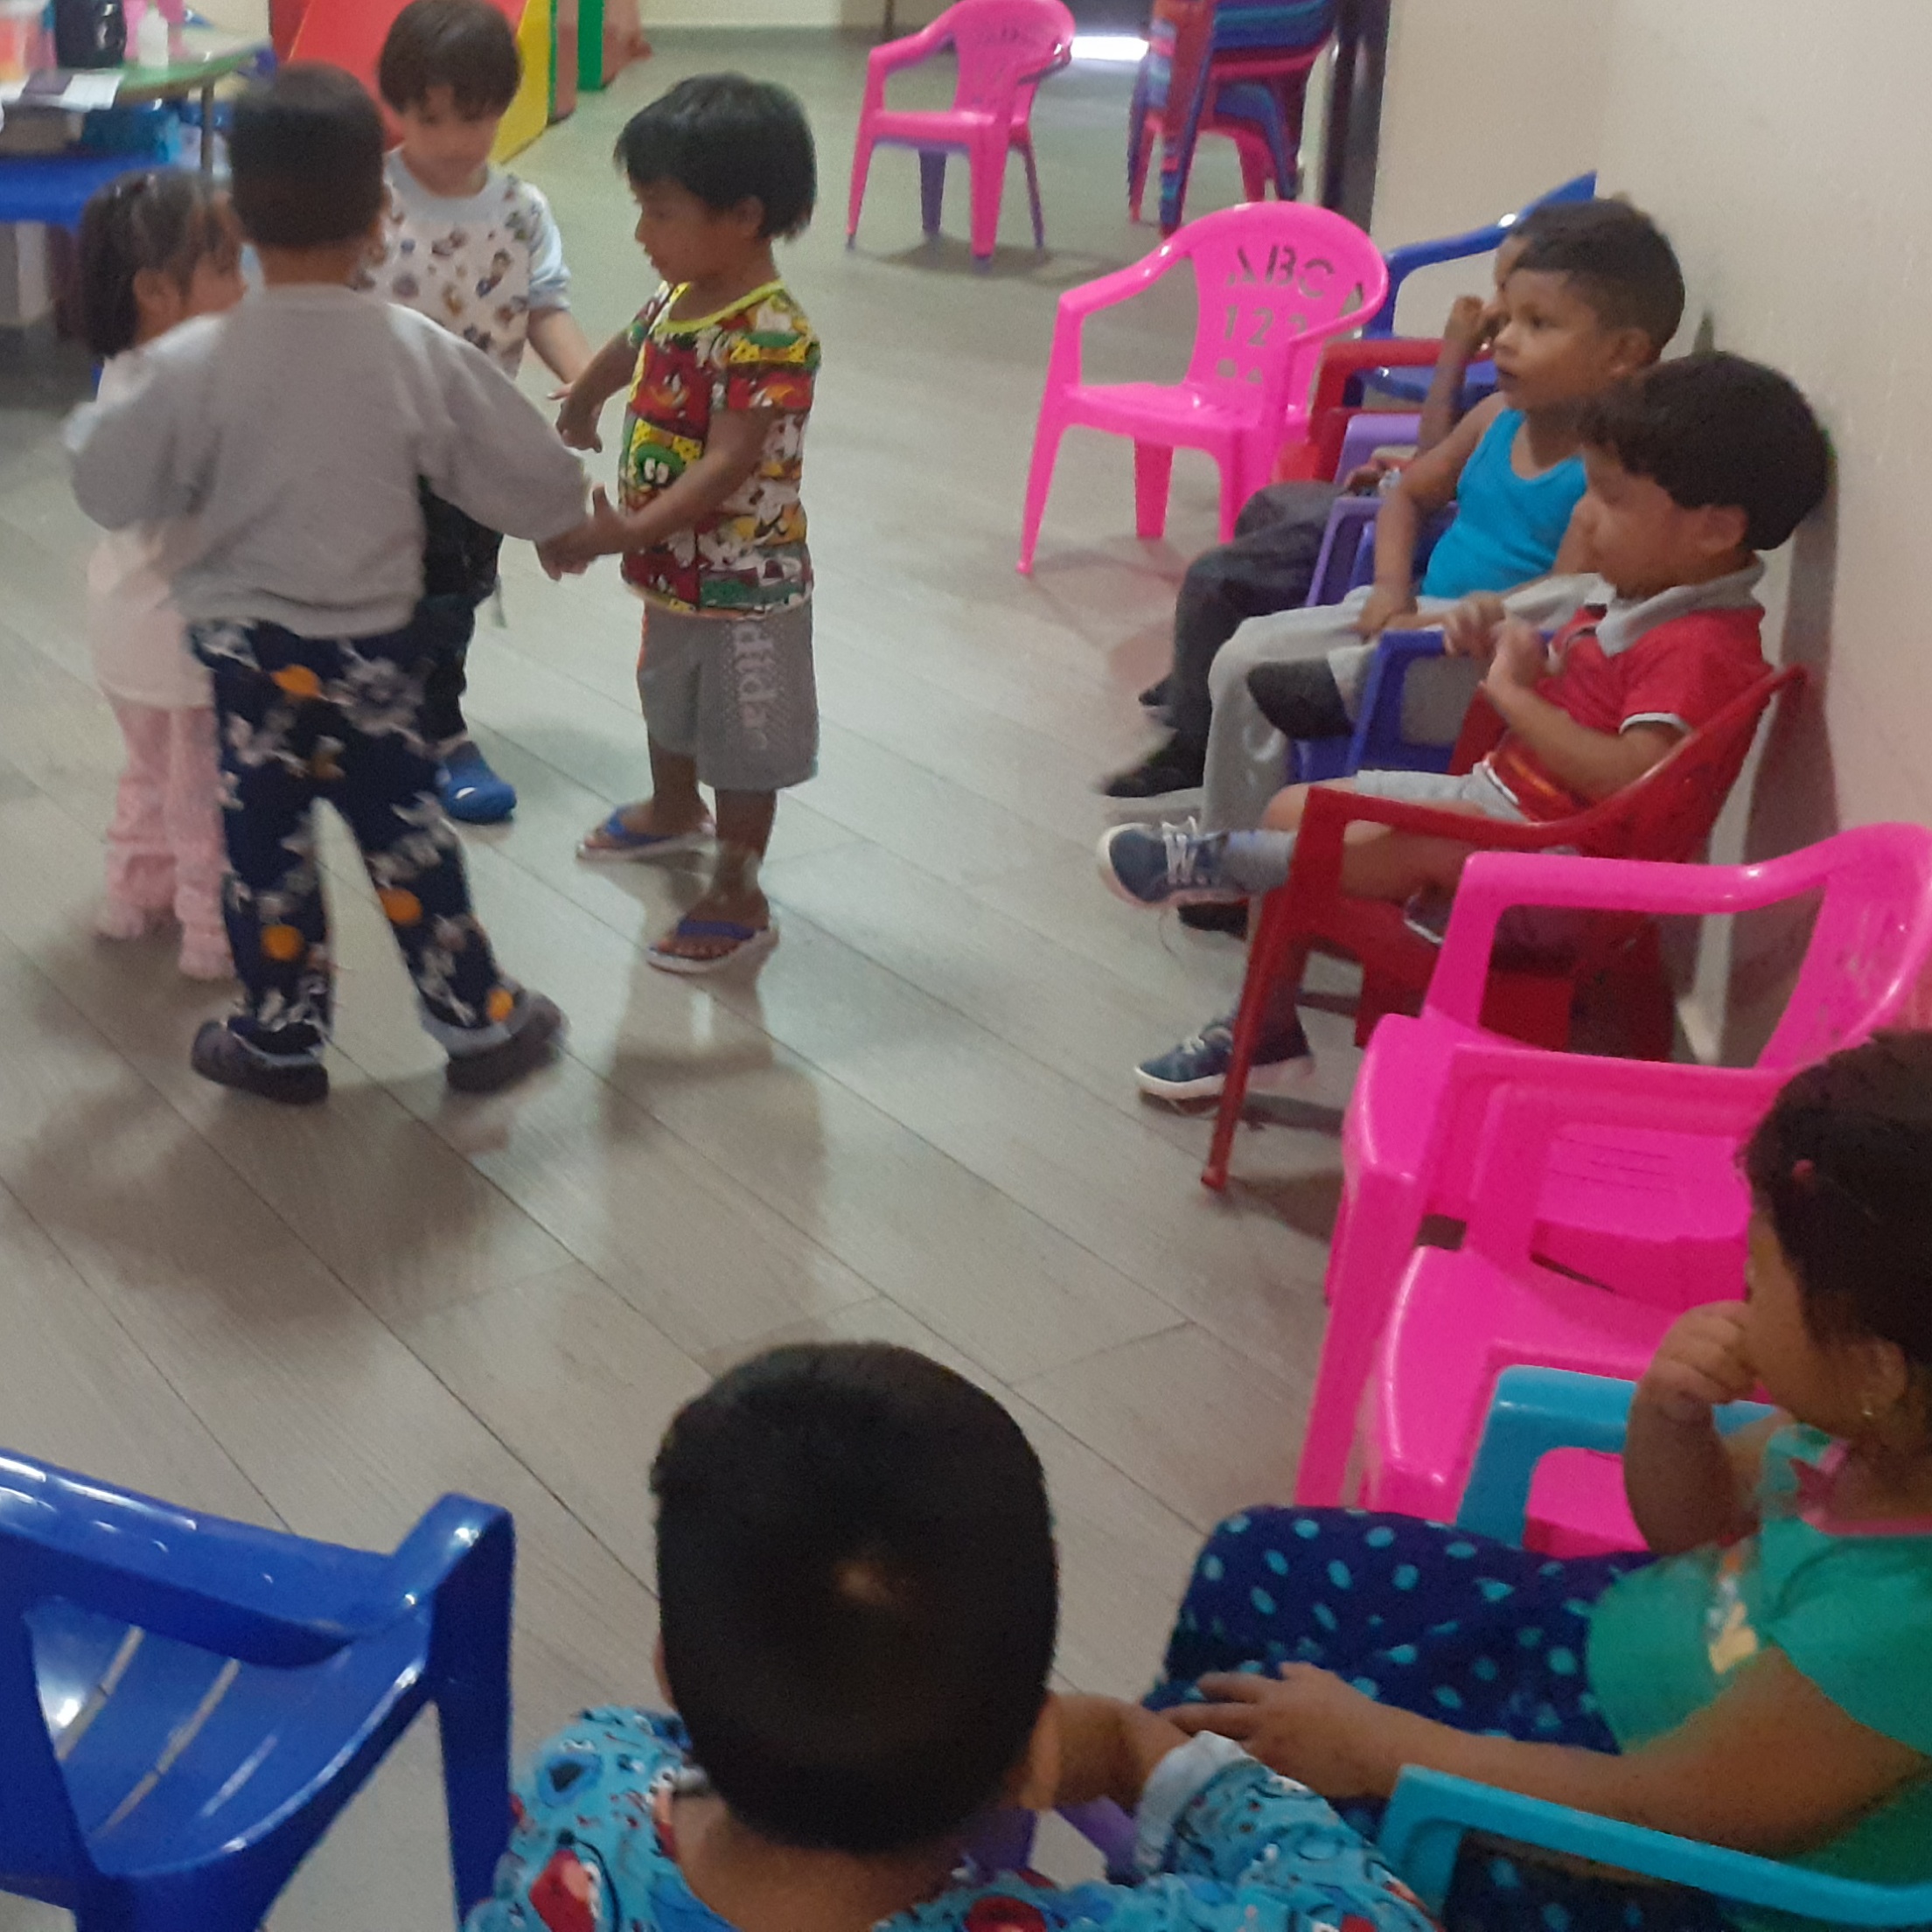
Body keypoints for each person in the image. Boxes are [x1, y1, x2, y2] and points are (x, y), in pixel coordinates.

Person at [1151, 1032, 1932, 1932]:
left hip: (1632, 1858)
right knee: (1254, 1560)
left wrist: (1380, 1749)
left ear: (1873, 1367)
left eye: (1757, 1281)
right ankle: (1161, 1785)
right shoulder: (1857, 1433)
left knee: (1253, 1797)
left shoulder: (1901, 1626)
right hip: (1587, 1640)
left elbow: (1660, 1815)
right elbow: (1689, 1530)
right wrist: (1670, 1418)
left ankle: (1163, 1829)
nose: (1739, 1298)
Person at [466, 1341, 1446, 1932]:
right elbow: (1373, 1913)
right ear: (1031, 1756)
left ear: (669, 1672)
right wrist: (1150, 1753)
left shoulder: (580, 1782)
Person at [66, 65, 590, 1105]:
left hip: (246, 658)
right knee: (407, 837)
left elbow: (105, 480)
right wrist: (567, 523)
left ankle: (280, 1036)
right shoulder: (409, 347)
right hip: (372, 654)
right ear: (379, 214)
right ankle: (477, 1019)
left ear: (238, 221)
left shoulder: (196, 359)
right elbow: (517, 461)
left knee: (264, 850)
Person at [1101, 351, 1830, 1100]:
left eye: (1610, 500)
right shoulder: (1645, 594)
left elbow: (1630, 777)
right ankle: (1267, 1028)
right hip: (1509, 816)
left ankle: (1216, 864)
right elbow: (1586, 692)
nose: (1584, 517)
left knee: (1389, 843)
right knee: (1295, 808)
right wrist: (1515, 645)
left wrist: (1512, 695)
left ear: (1713, 530)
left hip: (1559, 878)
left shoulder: (1698, 645)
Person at [1179, 199, 1685, 846]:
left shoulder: (1606, 475)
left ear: (1622, 353)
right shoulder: (1495, 418)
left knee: (1264, 673)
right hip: (1411, 616)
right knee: (1241, 652)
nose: (1504, 339)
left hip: (1471, 657)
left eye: (1537, 324)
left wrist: (1439, 623)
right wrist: (1392, 589)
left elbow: (1561, 607)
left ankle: (1261, 830)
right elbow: (1408, 496)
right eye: (1508, 318)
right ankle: (1228, 848)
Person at [543, 75, 820, 975]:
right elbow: (631, 346)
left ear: (743, 216)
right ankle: (671, 809)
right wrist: (584, 397)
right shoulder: (680, 294)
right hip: (673, 572)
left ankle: (738, 893)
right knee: (666, 695)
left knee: (743, 743)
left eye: (659, 212)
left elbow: (725, 464)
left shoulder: (769, 333)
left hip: (747, 588)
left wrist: (624, 532)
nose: (641, 234)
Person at [1103, 224, 1530, 803]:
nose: (1496, 312)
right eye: (1500, 290)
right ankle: (1198, 678)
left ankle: (1194, 740)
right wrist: (1403, 463)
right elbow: (1434, 463)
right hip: (1406, 505)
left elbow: (1439, 472)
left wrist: (1451, 359)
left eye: (1518, 302)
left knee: (1214, 577)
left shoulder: (1547, 419)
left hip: (1423, 549)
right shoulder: (1507, 405)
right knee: (1268, 506)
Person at [363, 0, 595, 826]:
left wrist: (585, 378)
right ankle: (393, 723)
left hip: (476, 446)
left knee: (454, 595)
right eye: (431, 119)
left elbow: (545, 306)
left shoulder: (521, 210)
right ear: (398, 106)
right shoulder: (366, 198)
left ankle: (439, 720)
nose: (456, 140)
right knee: (380, 588)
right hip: (373, 445)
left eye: (476, 117)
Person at [76, 169, 244, 983]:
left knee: (149, 771)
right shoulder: (191, 391)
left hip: (122, 622)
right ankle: (213, 931)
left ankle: (131, 891)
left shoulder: (123, 373)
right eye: (226, 267)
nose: (245, 284)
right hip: (186, 633)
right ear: (154, 290)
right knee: (207, 788)